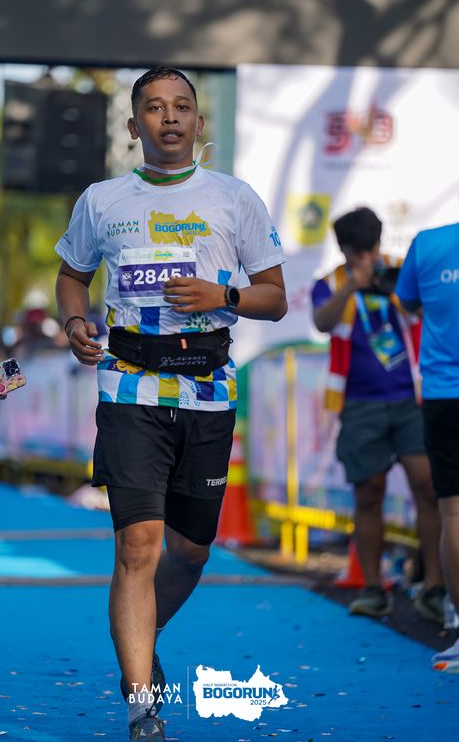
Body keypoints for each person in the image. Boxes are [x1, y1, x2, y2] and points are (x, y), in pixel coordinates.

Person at [54, 66, 287, 741]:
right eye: (154, 108)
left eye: (182, 106)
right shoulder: (102, 201)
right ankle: (142, 708)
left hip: (208, 390)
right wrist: (75, 323)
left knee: (189, 551)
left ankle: (141, 629)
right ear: (135, 126)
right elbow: (72, 276)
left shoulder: (234, 198)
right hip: (128, 384)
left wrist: (223, 296)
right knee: (138, 545)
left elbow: (276, 298)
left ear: (198, 121)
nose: (170, 117)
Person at [311, 206, 443, 620]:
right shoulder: (331, 283)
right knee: (368, 492)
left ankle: (435, 587)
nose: (369, 257)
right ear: (344, 250)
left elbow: (427, 312)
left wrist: (395, 288)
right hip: (358, 403)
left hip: (412, 399)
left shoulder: (401, 273)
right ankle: (372, 587)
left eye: (372, 248)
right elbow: (322, 322)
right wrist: (352, 286)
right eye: (359, 251)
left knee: (429, 487)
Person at [396, 222, 459, 673]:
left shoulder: (428, 244)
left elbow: (408, 302)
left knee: (454, 513)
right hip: (441, 391)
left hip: (444, 393)